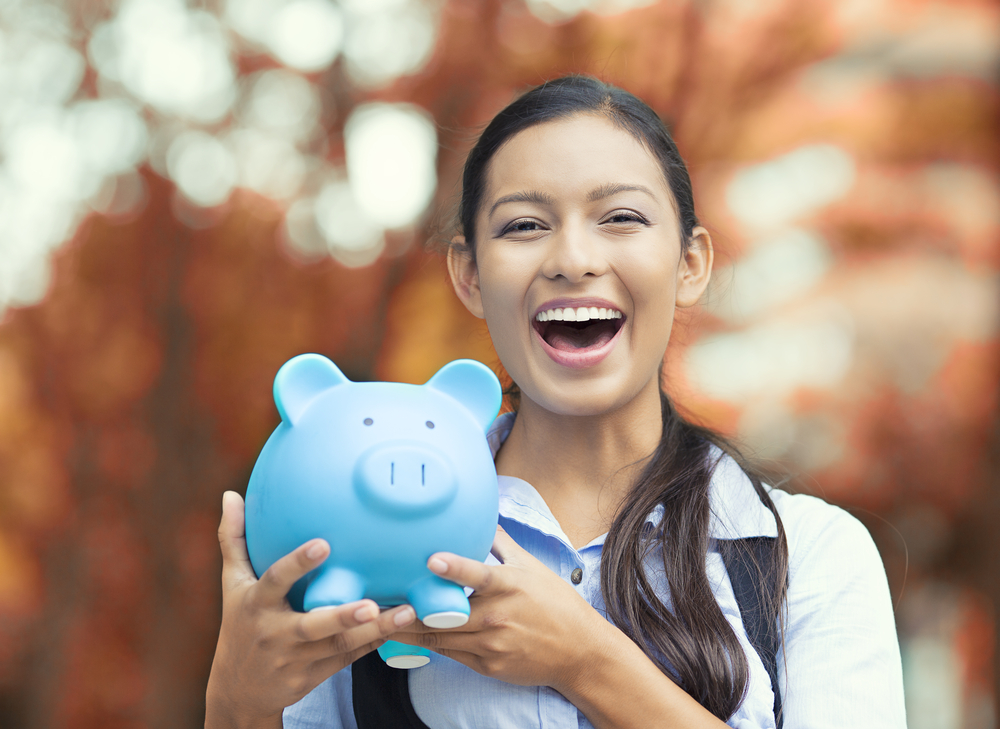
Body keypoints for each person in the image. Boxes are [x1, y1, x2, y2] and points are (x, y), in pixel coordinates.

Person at [205, 76, 906, 729]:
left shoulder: (808, 555)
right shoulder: (350, 530)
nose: (573, 257)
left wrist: (585, 660)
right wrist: (235, 701)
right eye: (525, 225)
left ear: (690, 263)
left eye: (621, 217)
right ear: (470, 275)